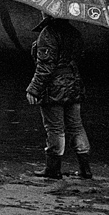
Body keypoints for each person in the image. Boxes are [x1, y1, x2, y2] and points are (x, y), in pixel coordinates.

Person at [25, 13, 92, 180]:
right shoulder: (74, 32)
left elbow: (45, 67)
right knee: (76, 126)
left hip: (53, 88)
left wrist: (33, 89)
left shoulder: (48, 33)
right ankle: (86, 169)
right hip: (73, 84)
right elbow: (79, 58)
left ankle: (53, 170)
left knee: (54, 128)